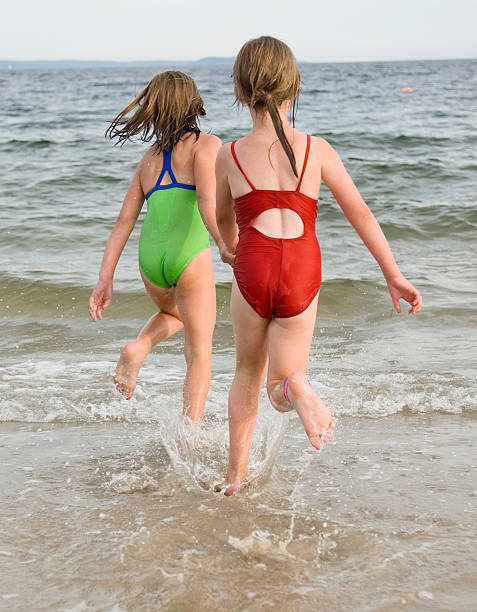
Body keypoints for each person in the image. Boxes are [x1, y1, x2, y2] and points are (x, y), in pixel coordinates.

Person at [215, 36, 422, 495]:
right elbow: (361, 215)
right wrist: (393, 274)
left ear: (240, 91)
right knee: (281, 384)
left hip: (254, 266)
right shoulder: (318, 149)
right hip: (302, 272)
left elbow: (221, 219)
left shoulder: (227, 154)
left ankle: (234, 478)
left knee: (247, 374)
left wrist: (229, 249)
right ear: (295, 88)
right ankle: (298, 391)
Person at [89, 70, 232, 422]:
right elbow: (205, 202)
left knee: (175, 314)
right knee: (199, 353)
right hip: (189, 254)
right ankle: (191, 434)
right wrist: (225, 244)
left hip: (150, 259)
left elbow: (124, 222)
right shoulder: (205, 144)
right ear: (191, 102)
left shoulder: (149, 160)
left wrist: (104, 279)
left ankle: (139, 347)